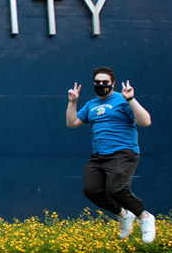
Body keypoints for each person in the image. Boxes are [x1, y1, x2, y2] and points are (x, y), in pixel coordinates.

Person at [66, 66, 155, 243]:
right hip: (99, 156)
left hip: (123, 153)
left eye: (105, 82)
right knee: (91, 190)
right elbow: (72, 122)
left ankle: (144, 216)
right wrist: (73, 102)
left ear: (112, 84)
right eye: (97, 82)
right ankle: (123, 214)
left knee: (116, 189)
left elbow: (145, 121)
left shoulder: (122, 101)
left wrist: (131, 99)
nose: (101, 85)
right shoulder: (91, 105)